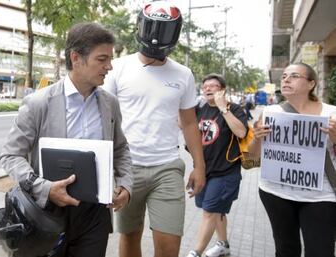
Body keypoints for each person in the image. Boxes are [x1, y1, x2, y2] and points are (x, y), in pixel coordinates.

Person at [0, 22, 133, 257]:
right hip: (46, 213)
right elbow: (11, 155)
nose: (109, 66)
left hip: (95, 215)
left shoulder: (110, 104)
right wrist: (44, 188)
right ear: (76, 58)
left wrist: (125, 185)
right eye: (102, 59)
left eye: (110, 59)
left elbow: (120, 149)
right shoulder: (39, 103)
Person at [103, 2, 206, 257]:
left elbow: (190, 122)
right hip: (126, 168)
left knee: (170, 246)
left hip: (167, 167)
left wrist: (200, 166)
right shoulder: (117, 68)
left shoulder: (183, 74)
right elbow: (103, 119)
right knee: (129, 235)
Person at [249, 63, 336, 257]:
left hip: (320, 197)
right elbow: (253, 157)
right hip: (275, 193)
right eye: (284, 76)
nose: (286, 80)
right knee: (286, 249)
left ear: (311, 84)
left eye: (294, 76)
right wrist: (256, 138)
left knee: (321, 251)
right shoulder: (271, 112)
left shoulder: (331, 114)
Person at [185, 74, 248, 257]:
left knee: (209, 212)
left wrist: (223, 109)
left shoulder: (234, 109)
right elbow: (188, 133)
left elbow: (241, 132)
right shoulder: (200, 109)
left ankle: (195, 252)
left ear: (222, 90)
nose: (208, 89)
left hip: (226, 172)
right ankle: (223, 245)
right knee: (217, 209)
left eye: (213, 86)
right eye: (205, 86)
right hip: (205, 171)